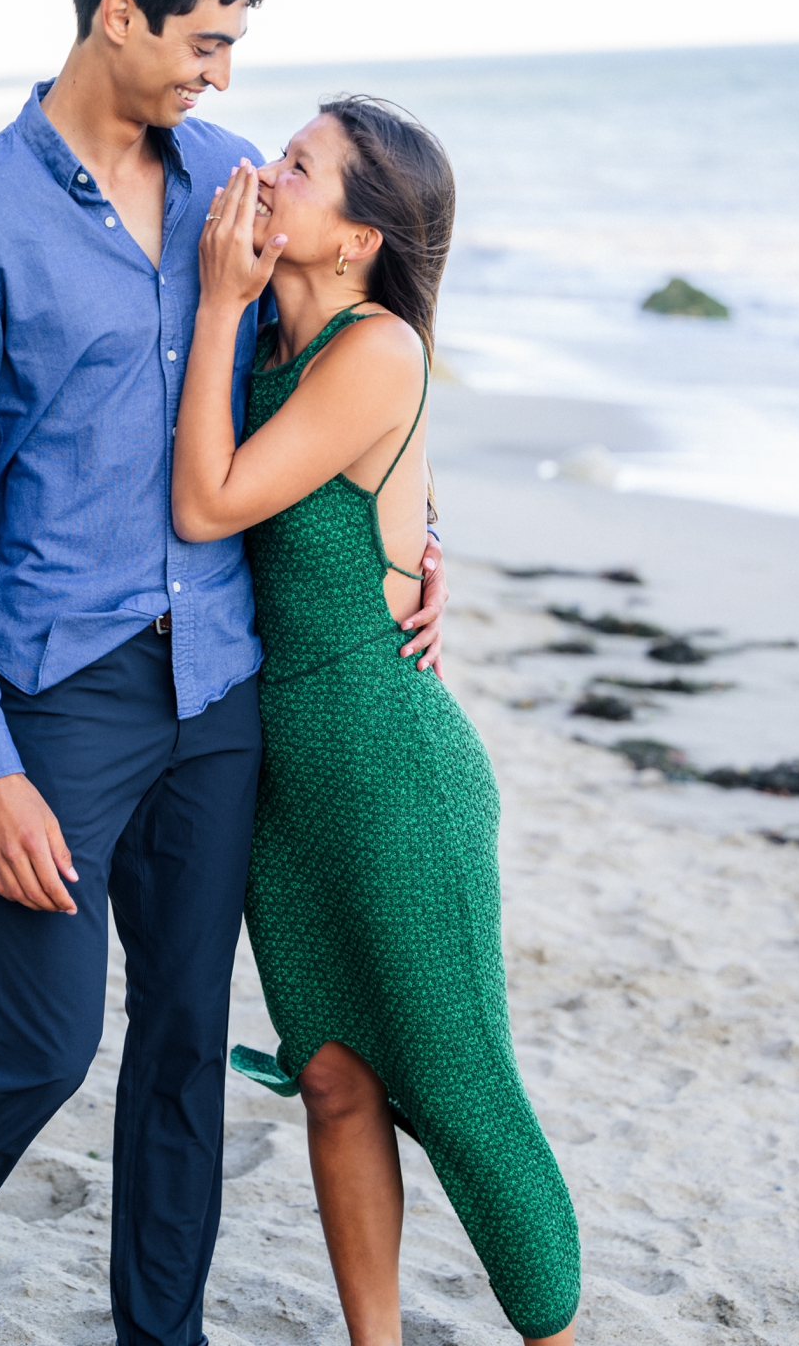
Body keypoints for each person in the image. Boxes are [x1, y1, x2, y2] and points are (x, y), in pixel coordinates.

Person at [0, 0, 448, 1346]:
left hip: (221, 688)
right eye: (208, 42)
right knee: (31, 1052)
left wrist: (423, 536)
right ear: (118, 18)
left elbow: (343, 374)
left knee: (180, 1049)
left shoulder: (238, 182)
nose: (225, 75)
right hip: (61, 696)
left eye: (235, 47)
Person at [170, 101, 581, 1345]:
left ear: (355, 237)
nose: (263, 171)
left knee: (459, 1096)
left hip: (398, 776)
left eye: (298, 167)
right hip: (287, 790)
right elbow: (365, 490)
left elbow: (209, 504)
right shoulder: (272, 351)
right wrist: (425, 536)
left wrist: (214, 303)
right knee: (336, 1084)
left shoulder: (377, 345)